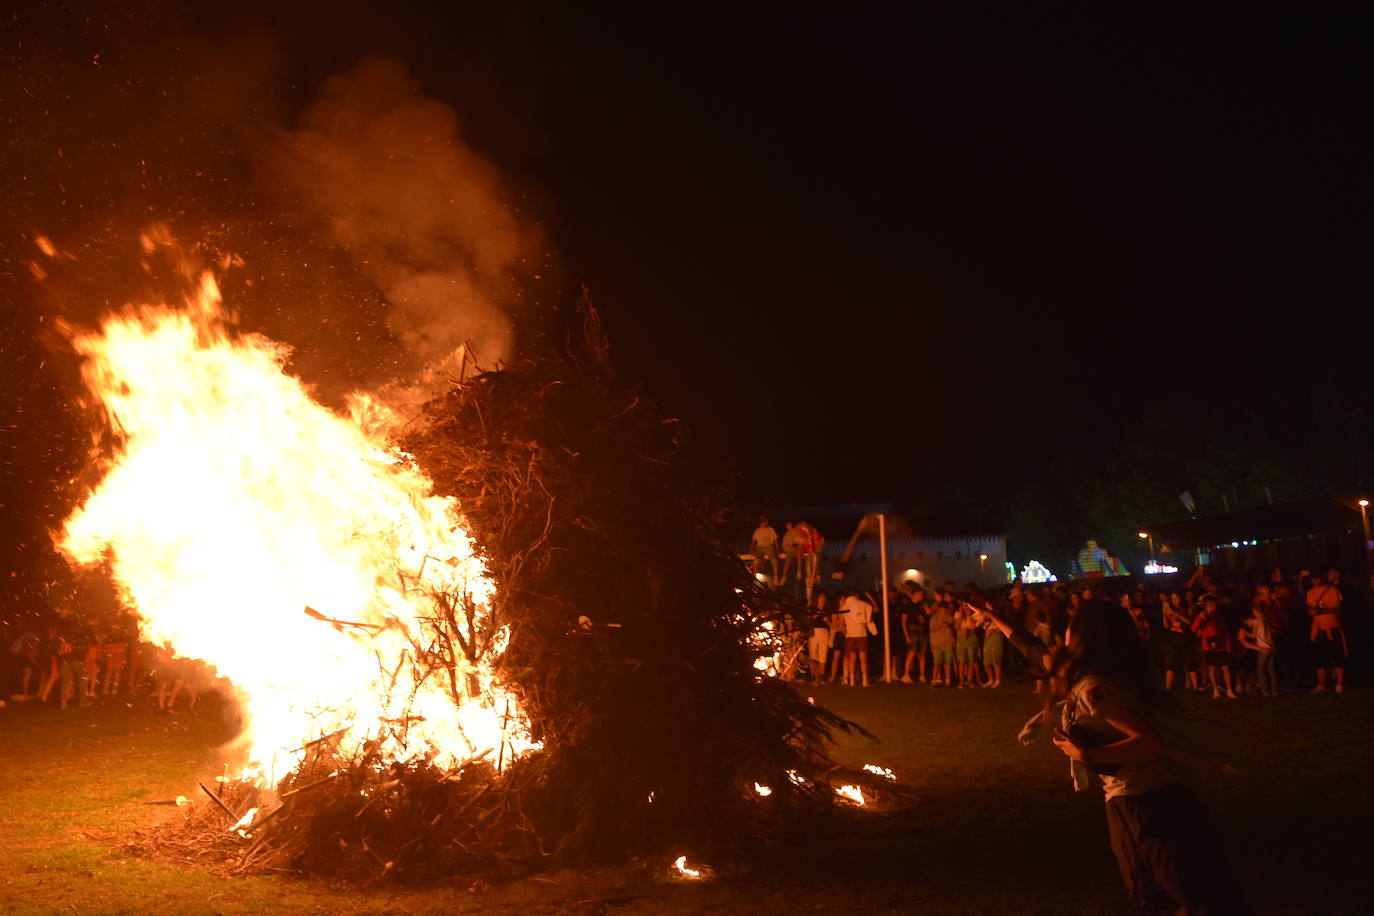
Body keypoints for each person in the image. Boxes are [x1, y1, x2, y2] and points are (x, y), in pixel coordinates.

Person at [982, 597, 1244, 914]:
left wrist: (1086, 754)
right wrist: (992, 616)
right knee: (1170, 895)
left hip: (1146, 805)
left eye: (1073, 623)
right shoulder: (1089, 672)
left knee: (1170, 897)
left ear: (1086, 634)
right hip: (1146, 800)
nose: (1066, 629)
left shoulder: (1095, 688)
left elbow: (1149, 742)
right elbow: (1031, 648)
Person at [1305, 568, 1347, 694]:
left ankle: (1340, 684)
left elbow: (1339, 609)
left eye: (1317, 578)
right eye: (1313, 578)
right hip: (1318, 628)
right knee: (1321, 657)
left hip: (1332, 626)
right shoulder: (1310, 592)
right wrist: (1312, 612)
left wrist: (1322, 611)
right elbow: (1310, 609)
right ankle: (1322, 684)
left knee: (1338, 656)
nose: (1315, 581)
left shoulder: (1332, 590)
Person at [1192, 596, 1238, 699]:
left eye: (1215, 604)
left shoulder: (1219, 616)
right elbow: (1194, 629)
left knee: (1225, 668)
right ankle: (1215, 689)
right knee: (1211, 668)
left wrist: (1228, 645)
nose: (1215, 606)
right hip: (1208, 647)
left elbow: (1224, 631)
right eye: (1213, 605)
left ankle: (1229, 689)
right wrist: (1199, 619)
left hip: (1221, 647)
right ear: (1208, 605)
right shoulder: (1202, 616)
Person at [838, 590, 875, 687]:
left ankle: (852, 681)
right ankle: (865, 681)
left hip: (850, 635)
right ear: (856, 595)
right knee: (863, 659)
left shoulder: (844, 607)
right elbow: (870, 610)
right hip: (861, 634)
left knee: (852, 659)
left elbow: (842, 621)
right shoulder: (863, 604)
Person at [899, 583, 929, 683]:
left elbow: (924, 619)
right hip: (912, 630)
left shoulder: (921, 606)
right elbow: (903, 622)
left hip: (921, 630)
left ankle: (922, 675)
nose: (922, 596)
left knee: (922, 653)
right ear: (915, 594)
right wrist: (907, 635)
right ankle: (906, 674)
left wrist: (922, 619)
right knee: (911, 652)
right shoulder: (908, 605)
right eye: (920, 594)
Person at [806, 592, 832, 687]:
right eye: (821, 597)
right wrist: (817, 615)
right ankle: (814, 676)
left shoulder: (827, 610)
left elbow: (830, 624)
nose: (823, 599)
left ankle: (821, 676)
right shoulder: (812, 609)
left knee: (823, 655)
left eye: (824, 597)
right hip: (814, 632)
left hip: (824, 632)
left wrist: (827, 620)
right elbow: (808, 619)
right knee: (813, 655)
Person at [928, 599, 955, 687]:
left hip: (948, 643)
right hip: (938, 643)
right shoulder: (934, 618)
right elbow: (932, 630)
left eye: (945, 608)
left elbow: (953, 630)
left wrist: (949, 626)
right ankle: (934, 680)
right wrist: (940, 625)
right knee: (937, 663)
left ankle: (947, 680)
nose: (943, 610)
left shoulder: (950, 618)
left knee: (947, 663)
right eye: (942, 608)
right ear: (939, 608)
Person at [750, 518, 780, 582]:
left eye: (763, 522)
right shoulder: (757, 531)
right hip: (759, 548)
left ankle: (776, 577)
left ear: (766, 522)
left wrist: (777, 550)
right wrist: (752, 551)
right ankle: (754, 575)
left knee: (774, 559)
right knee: (757, 559)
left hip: (768, 547)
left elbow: (775, 541)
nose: (762, 524)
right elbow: (753, 542)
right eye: (761, 522)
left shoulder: (771, 530)